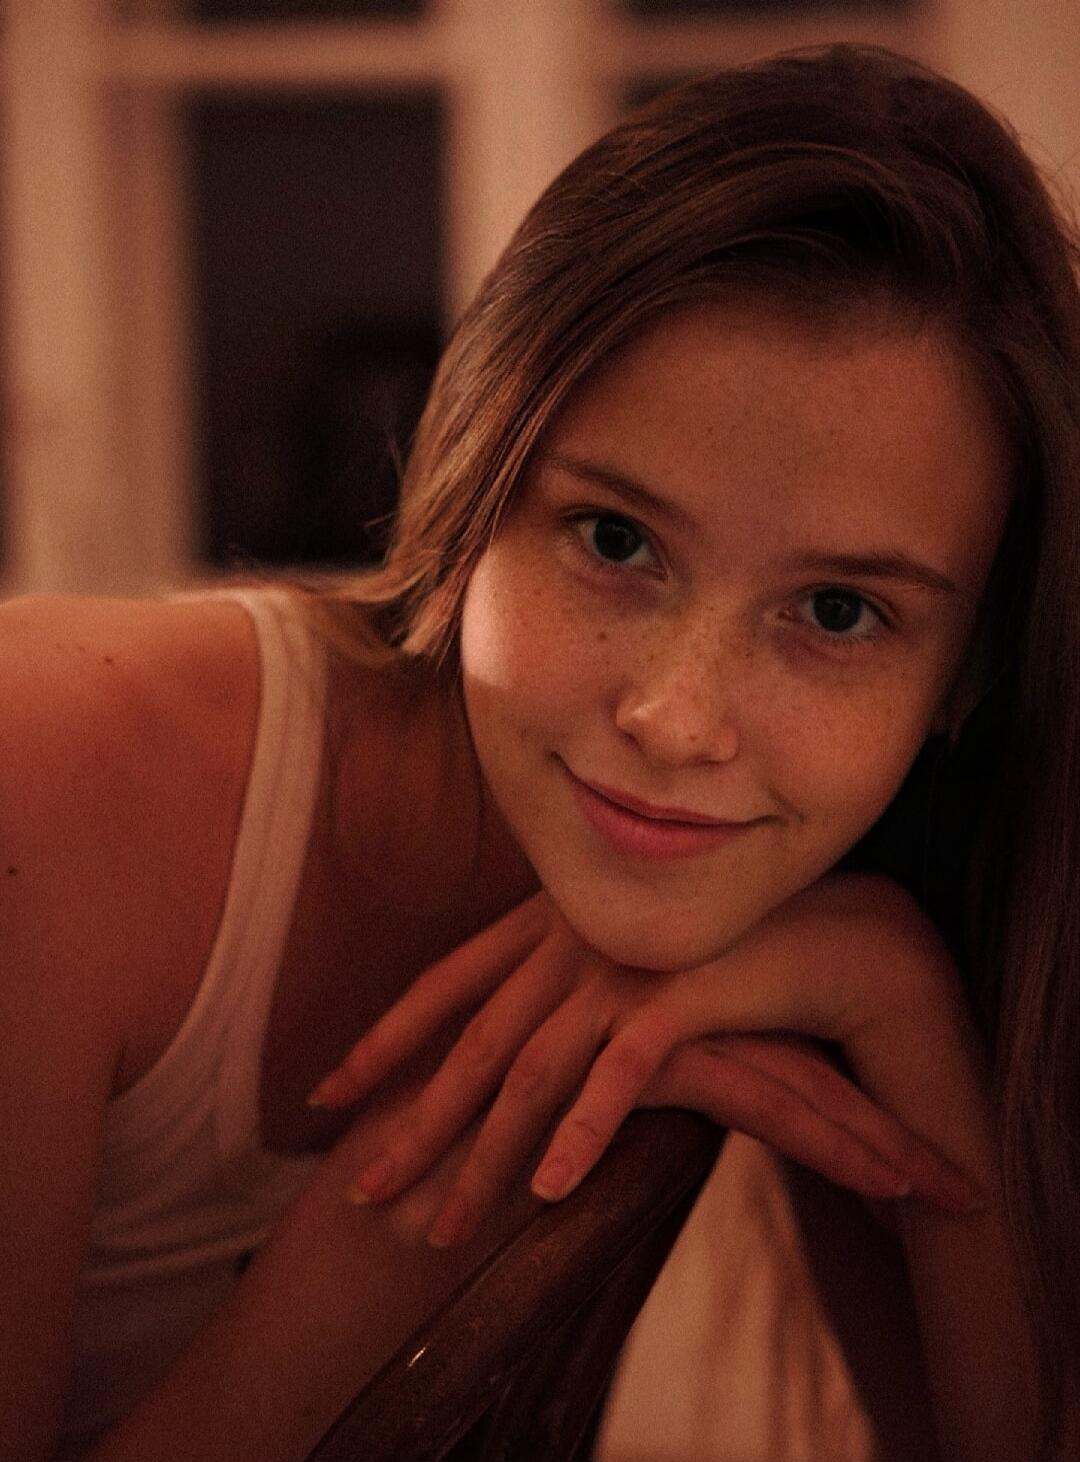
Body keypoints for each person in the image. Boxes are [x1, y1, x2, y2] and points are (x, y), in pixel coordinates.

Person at [2, 40, 1077, 1462]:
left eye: (837, 612)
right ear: (475, 475)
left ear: (968, 674)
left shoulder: (817, 909)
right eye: (614, 539)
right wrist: (391, 1236)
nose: (676, 720)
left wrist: (899, 993)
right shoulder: (46, 765)